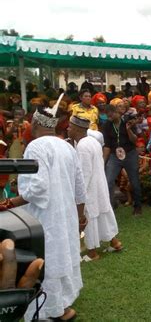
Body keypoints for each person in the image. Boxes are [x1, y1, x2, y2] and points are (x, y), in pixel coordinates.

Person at [0, 97, 87, 321]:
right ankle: (63, 307)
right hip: (65, 215)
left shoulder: (36, 146)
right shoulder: (67, 147)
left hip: (45, 218)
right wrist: (80, 216)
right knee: (60, 257)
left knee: (44, 260)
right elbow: (79, 187)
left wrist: (8, 203)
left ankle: (51, 312)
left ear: (36, 126)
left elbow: (37, 189)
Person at [68, 116, 122, 261]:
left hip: (90, 188)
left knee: (89, 217)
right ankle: (115, 242)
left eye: (70, 127)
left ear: (77, 129)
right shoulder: (92, 141)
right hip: (100, 185)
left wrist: (79, 195)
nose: (68, 129)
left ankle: (92, 253)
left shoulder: (83, 146)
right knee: (104, 213)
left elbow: (84, 174)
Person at [102, 104, 142, 216]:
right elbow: (107, 146)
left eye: (111, 116)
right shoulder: (107, 126)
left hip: (130, 154)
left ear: (116, 112)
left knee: (134, 182)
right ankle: (111, 206)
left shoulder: (128, 121)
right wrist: (103, 161)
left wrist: (129, 130)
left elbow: (134, 141)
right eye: (107, 116)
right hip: (115, 156)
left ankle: (137, 206)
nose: (109, 118)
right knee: (109, 181)